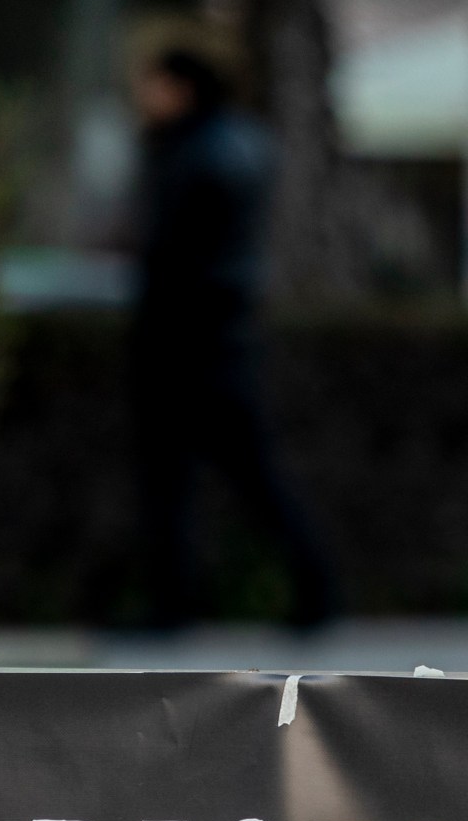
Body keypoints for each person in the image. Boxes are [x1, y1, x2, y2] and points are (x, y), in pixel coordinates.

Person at [126, 47, 336, 629]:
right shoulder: (241, 143)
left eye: (154, 85)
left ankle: (175, 604)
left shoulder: (192, 153)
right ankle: (313, 587)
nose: (144, 98)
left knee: (177, 480)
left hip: (185, 339)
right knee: (249, 476)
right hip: (223, 338)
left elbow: (172, 253)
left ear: (181, 88)